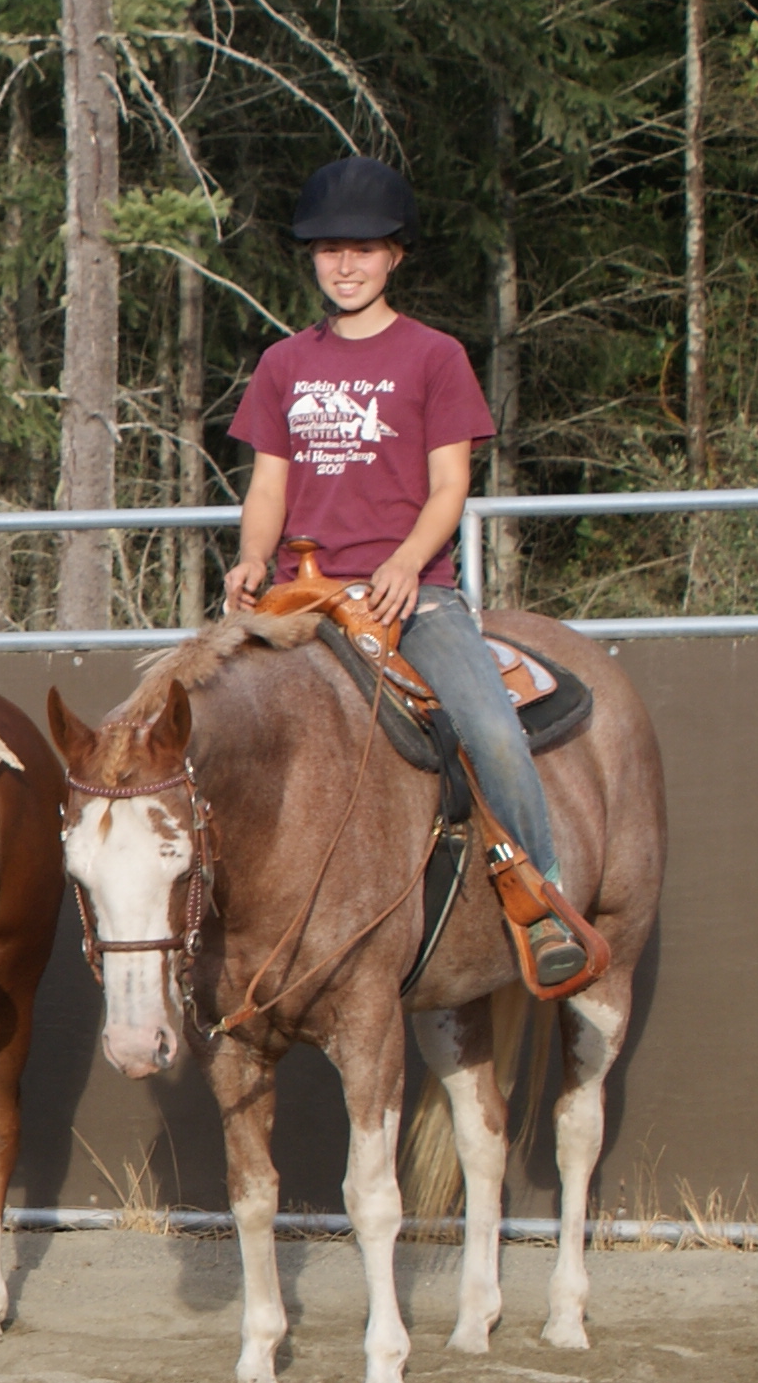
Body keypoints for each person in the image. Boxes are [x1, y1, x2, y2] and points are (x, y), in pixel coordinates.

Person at [223, 154, 589, 991]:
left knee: (492, 729)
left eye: (363, 248)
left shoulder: (434, 356)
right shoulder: (284, 364)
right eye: (327, 250)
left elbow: (452, 484)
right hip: (300, 598)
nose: (344, 265)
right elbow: (268, 483)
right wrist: (250, 557)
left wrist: (403, 561)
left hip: (411, 594)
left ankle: (543, 901)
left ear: (396, 256)